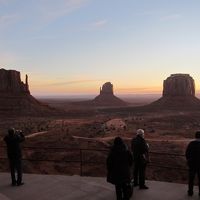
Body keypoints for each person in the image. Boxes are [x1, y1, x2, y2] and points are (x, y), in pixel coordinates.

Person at [185, 131, 200, 196]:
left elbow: (187, 153)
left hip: (192, 164)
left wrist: (189, 160)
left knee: (191, 179)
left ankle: (190, 192)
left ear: (195, 136)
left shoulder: (191, 143)